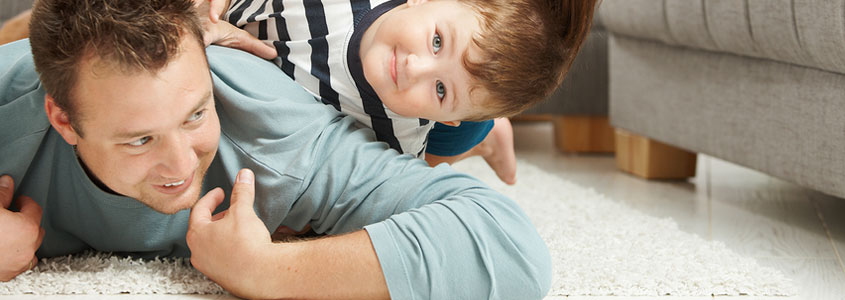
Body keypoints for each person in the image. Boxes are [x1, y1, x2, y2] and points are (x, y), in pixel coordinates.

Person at [0, 0, 551, 299]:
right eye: (139, 139)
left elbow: (509, 248)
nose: (180, 165)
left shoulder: (283, 132)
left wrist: (268, 271)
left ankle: (481, 133)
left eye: (196, 114)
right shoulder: (15, 94)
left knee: (450, 130)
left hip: (361, 98)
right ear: (63, 119)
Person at [194, 0, 599, 185]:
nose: (414, 67)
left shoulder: (400, 141)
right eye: (437, 41)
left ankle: (482, 136)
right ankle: (486, 128)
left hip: (426, 123)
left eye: (440, 88)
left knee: (442, 146)